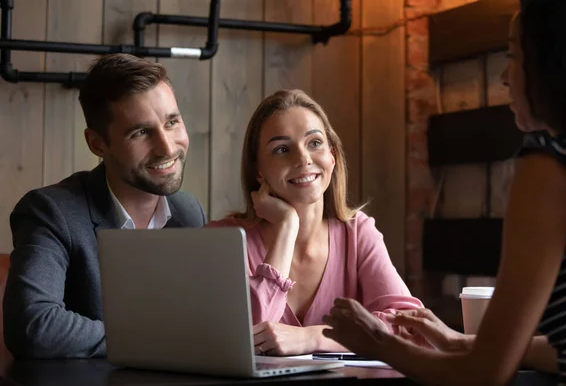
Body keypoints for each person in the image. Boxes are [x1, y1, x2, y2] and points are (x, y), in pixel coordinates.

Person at [322, 0, 566, 384]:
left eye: (514, 57)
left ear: (553, 68)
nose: (505, 77)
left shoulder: (551, 169)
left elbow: (485, 374)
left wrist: (376, 342)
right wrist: (458, 342)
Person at [3, 54, 207, 359]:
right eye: (140, 132)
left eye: (172, 122)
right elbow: (33, 326)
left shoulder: (188, 211)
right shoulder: (51, 211)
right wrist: (153, 340)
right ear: (97, 144)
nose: (167, 147)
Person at [208, 89, 423, 356]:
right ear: (258, 170)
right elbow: (239, 341)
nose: (303, 159)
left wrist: (313, 338)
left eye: (315, 143)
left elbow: (412, 329)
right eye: (282, 149)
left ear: (332, 157)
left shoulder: (358, 234)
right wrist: (287, 226)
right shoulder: (222, 240)